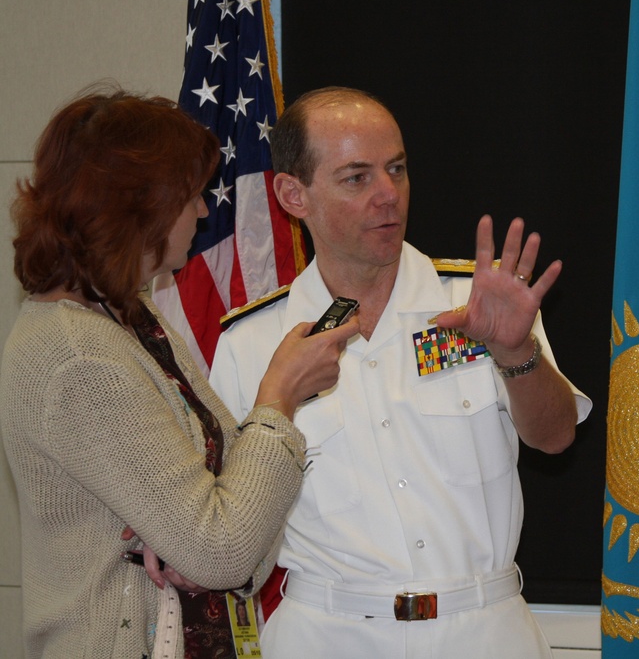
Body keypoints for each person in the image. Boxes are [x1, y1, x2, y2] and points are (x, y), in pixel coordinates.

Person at [209, 86, 592, 657]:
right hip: (328, 636)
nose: (388, 194)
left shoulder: (477, 302)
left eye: (397, 169)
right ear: (293, 194)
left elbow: (557, 436)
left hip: (483, 631)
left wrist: (515, 353)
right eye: (356, 177)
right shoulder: (251, 343)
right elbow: (228, 519)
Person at [0, 89, 356, 659]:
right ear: (137, 207)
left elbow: (237, 541)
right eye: (189, 196)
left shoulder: (129, 321)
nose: (202, 211)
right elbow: (226, 550)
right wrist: (279, 398)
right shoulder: (78, 356)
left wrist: (203, 540)